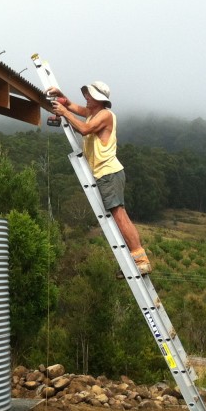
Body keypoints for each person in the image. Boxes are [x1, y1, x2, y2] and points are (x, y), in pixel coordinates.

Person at [49, 81, 152, 275]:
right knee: (117, 216)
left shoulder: (105, 115)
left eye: (89, 95)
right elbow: (71, 106)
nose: (86, 97)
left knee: (119, 215)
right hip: (103, 173)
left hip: (108, 171)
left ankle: (140, 259)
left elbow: (84, 129)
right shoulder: (93, 114)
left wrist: (64, 113)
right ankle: (135, 260)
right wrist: (61, 97)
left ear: (99, 99)